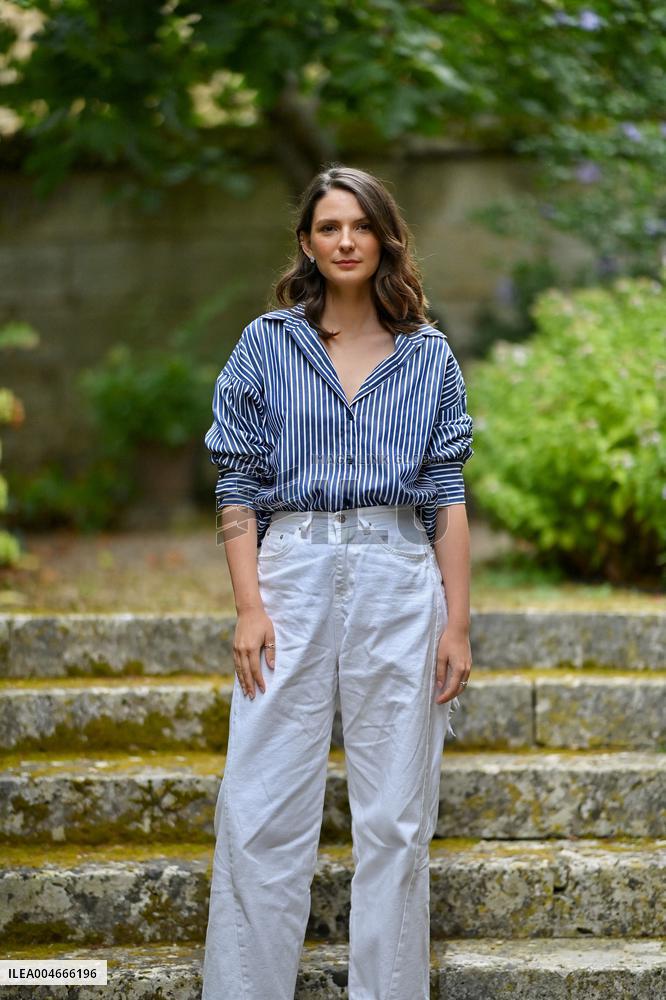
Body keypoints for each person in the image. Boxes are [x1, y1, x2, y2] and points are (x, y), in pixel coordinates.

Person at [201, 163, 474, 1000]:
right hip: (291, 572)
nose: (345, 240)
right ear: (308, 244)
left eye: (359, 225)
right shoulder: (266, 343)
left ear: (385, 237)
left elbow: (448, 497)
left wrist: (456, 624)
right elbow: (237, 483)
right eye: (328, 227)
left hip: (399, 579)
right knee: (259, 807)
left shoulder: (428, 356)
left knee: (395, 818)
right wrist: (249, 606)